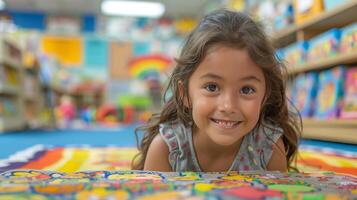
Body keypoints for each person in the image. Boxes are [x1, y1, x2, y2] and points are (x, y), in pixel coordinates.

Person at [132, 9, 301, 172]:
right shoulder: (166, 149)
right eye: (212, 87)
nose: (228, 106)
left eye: (247, 90)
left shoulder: (268, 148)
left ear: (265, 96)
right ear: (185, 94)